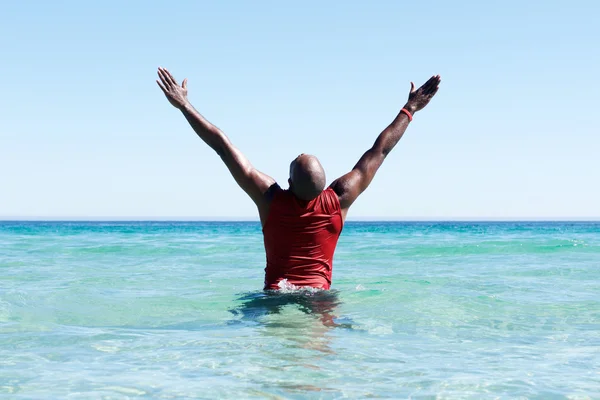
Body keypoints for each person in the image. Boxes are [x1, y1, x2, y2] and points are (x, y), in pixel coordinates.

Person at [156, 67, 440, 291]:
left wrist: (184, 105)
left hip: (276, 295)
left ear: (289, 183)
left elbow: (222, 146)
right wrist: (410, 109)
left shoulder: (270, 199)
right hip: (320, 298)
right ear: (326, 184)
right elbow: (380, 150)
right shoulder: (341, 197)